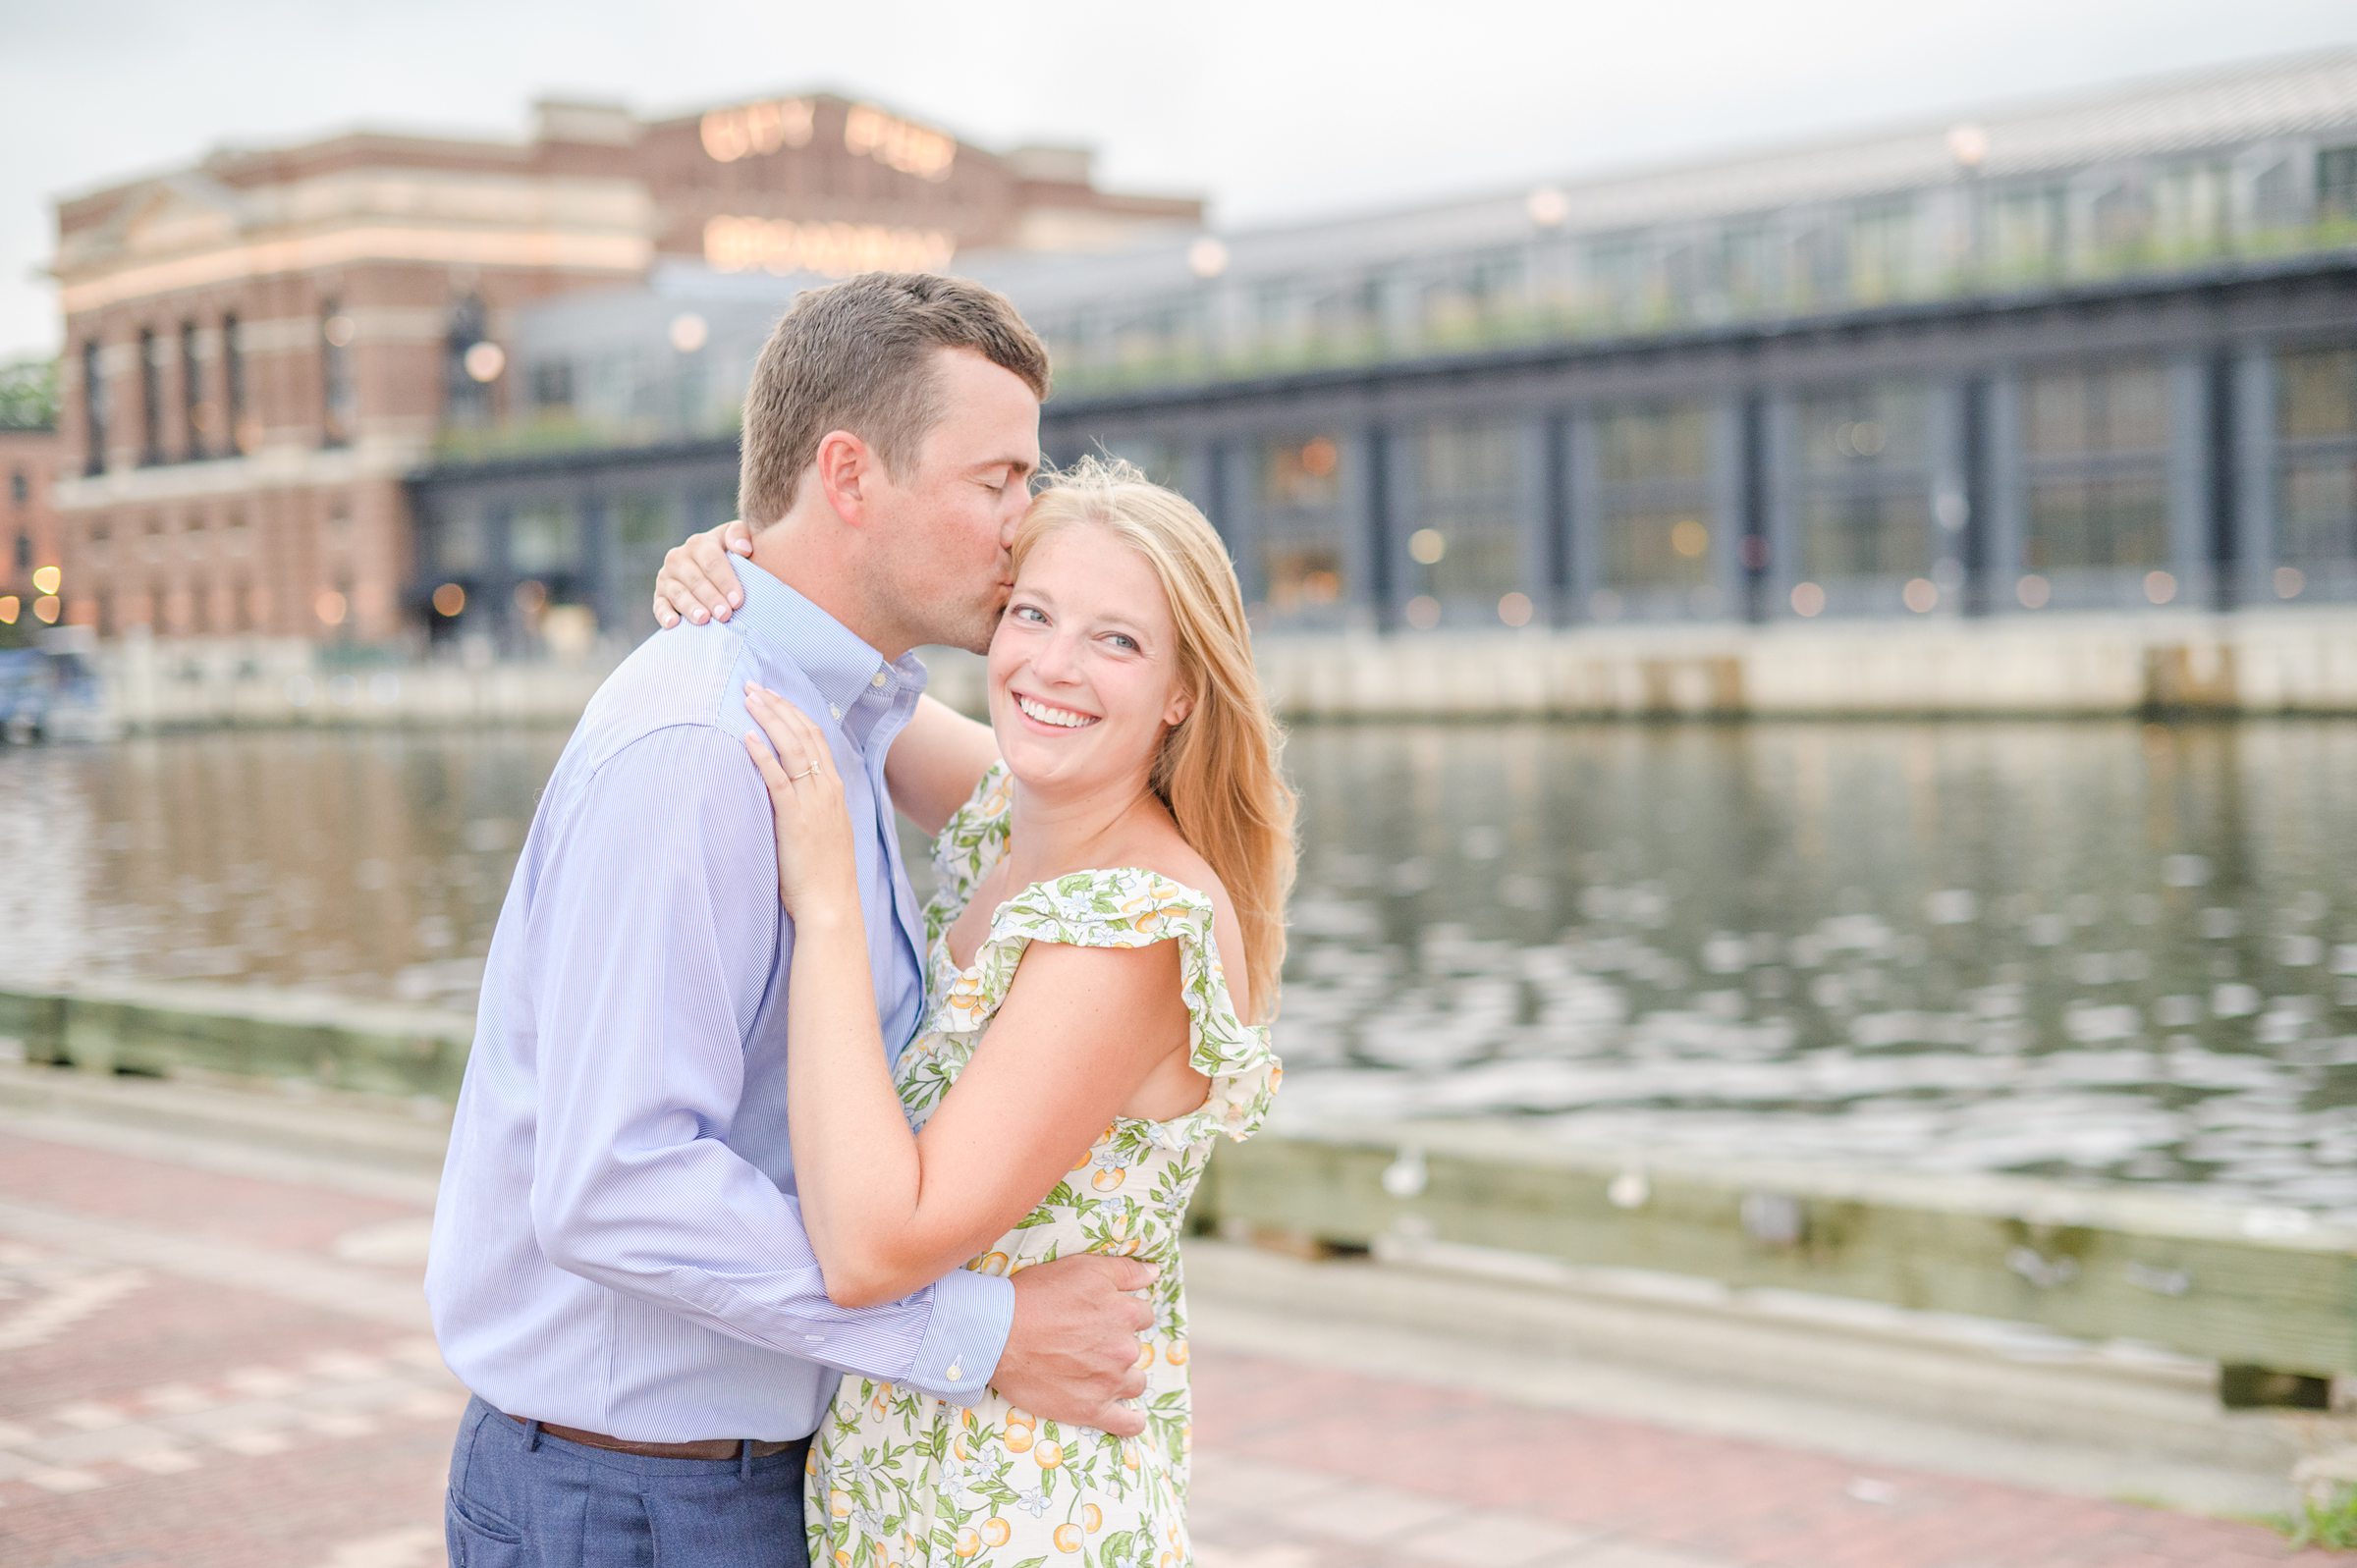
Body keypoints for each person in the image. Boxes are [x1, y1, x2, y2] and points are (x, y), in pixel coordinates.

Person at [425, 273, 1159, 1568]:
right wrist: (979, 1334)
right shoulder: (709, 749)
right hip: (633, 1500)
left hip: (745, 1484)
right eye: (997, 478)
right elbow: (614, 1182)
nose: (1023, 520)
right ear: (850, 475)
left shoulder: (846, 721)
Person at [651, 454, 1295, 1566]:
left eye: (1118, 639)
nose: (1053, 664)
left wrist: (829, 899)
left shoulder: (1132, 929)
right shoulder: (1024, 813)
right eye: (1032, 614)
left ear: (1183, 689)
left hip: (1024, 1525)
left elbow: (872, 1249)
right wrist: (732, 573)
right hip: (915, 1505)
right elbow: (859, 686)